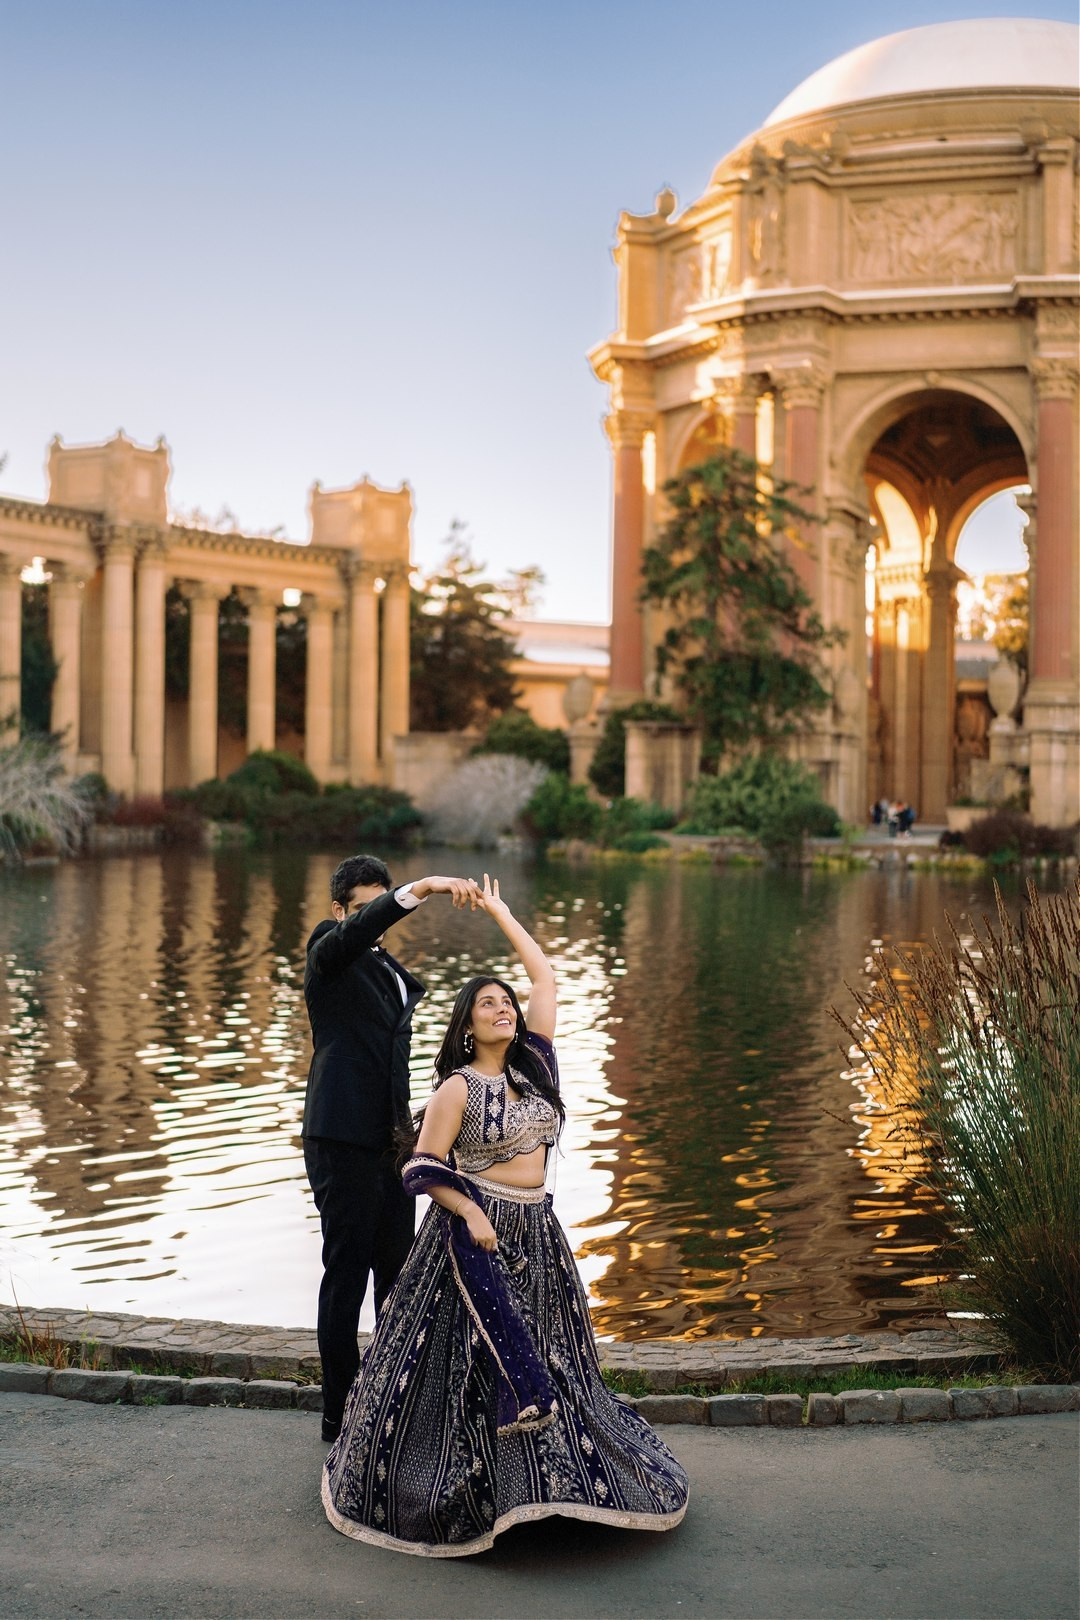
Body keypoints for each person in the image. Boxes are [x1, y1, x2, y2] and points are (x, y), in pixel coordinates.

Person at [321, 874, 689, 1557]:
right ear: (465, 1027)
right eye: (488, 1004)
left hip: (538, 1237)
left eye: (507, 1003)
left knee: (552, 1365)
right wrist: (467, 1206)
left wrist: (501, 913)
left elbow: (545, 981)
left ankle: (552, 1493)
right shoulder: (456, 1090)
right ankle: (473, 1499)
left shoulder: (536, 1069)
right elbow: (420, 1169)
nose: (505, 1009)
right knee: (463, 1378)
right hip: (474, 1239)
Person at [303, 855, 478, 1443]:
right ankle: (340, 1413)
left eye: (378, 906)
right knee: (346, 1275)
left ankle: (387, 1405)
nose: (371, 921)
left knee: (396, 1278)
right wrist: (418, 889)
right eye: (363, 908)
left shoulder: (389, 970)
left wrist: (429, 1127)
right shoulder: (329, 948)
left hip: (391, 1144)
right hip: (342, 1137)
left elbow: (391, 1063)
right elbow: (354, 935)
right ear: (341, 910)